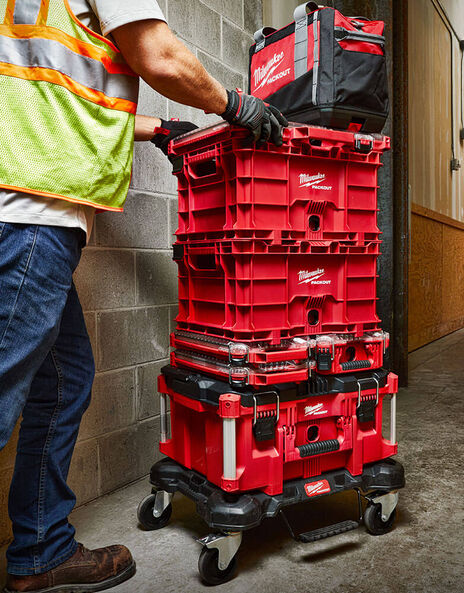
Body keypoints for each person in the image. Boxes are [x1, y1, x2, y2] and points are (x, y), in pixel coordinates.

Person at [0, 1, 287, 592]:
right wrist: (237, 104)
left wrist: (157, 128)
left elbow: (57, 96)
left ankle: (39, 551)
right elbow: (160, 57)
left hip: (27, 206)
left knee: (64, 380)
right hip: (31, 214)